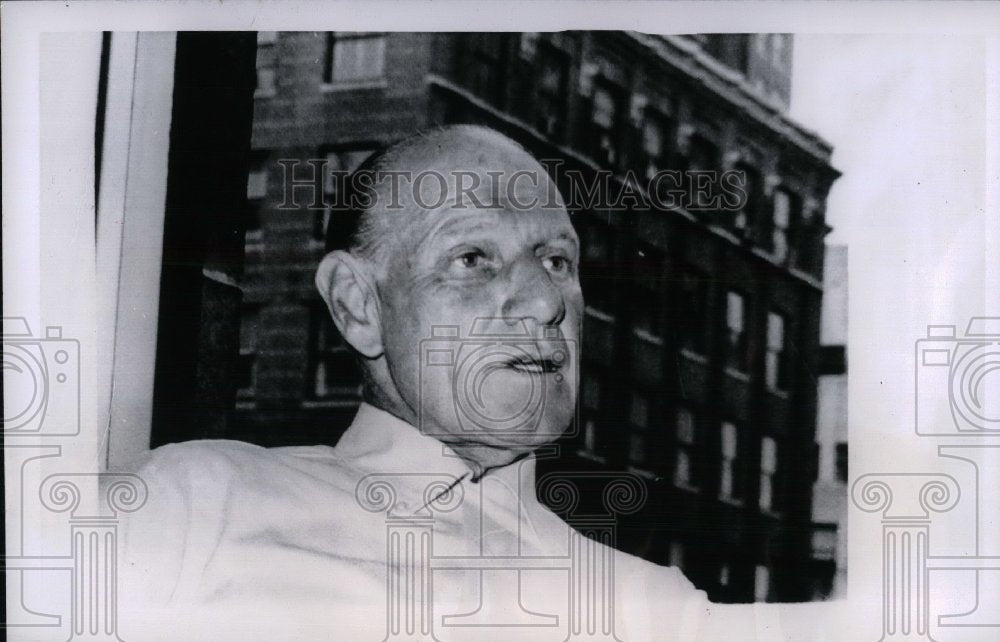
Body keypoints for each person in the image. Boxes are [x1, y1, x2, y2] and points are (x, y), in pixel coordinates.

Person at [119, 125, 838, 641]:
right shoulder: (194, 505)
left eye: (557, 261)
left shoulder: (657, 610)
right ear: (357, 305)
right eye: (473, 258)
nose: (544, 302)